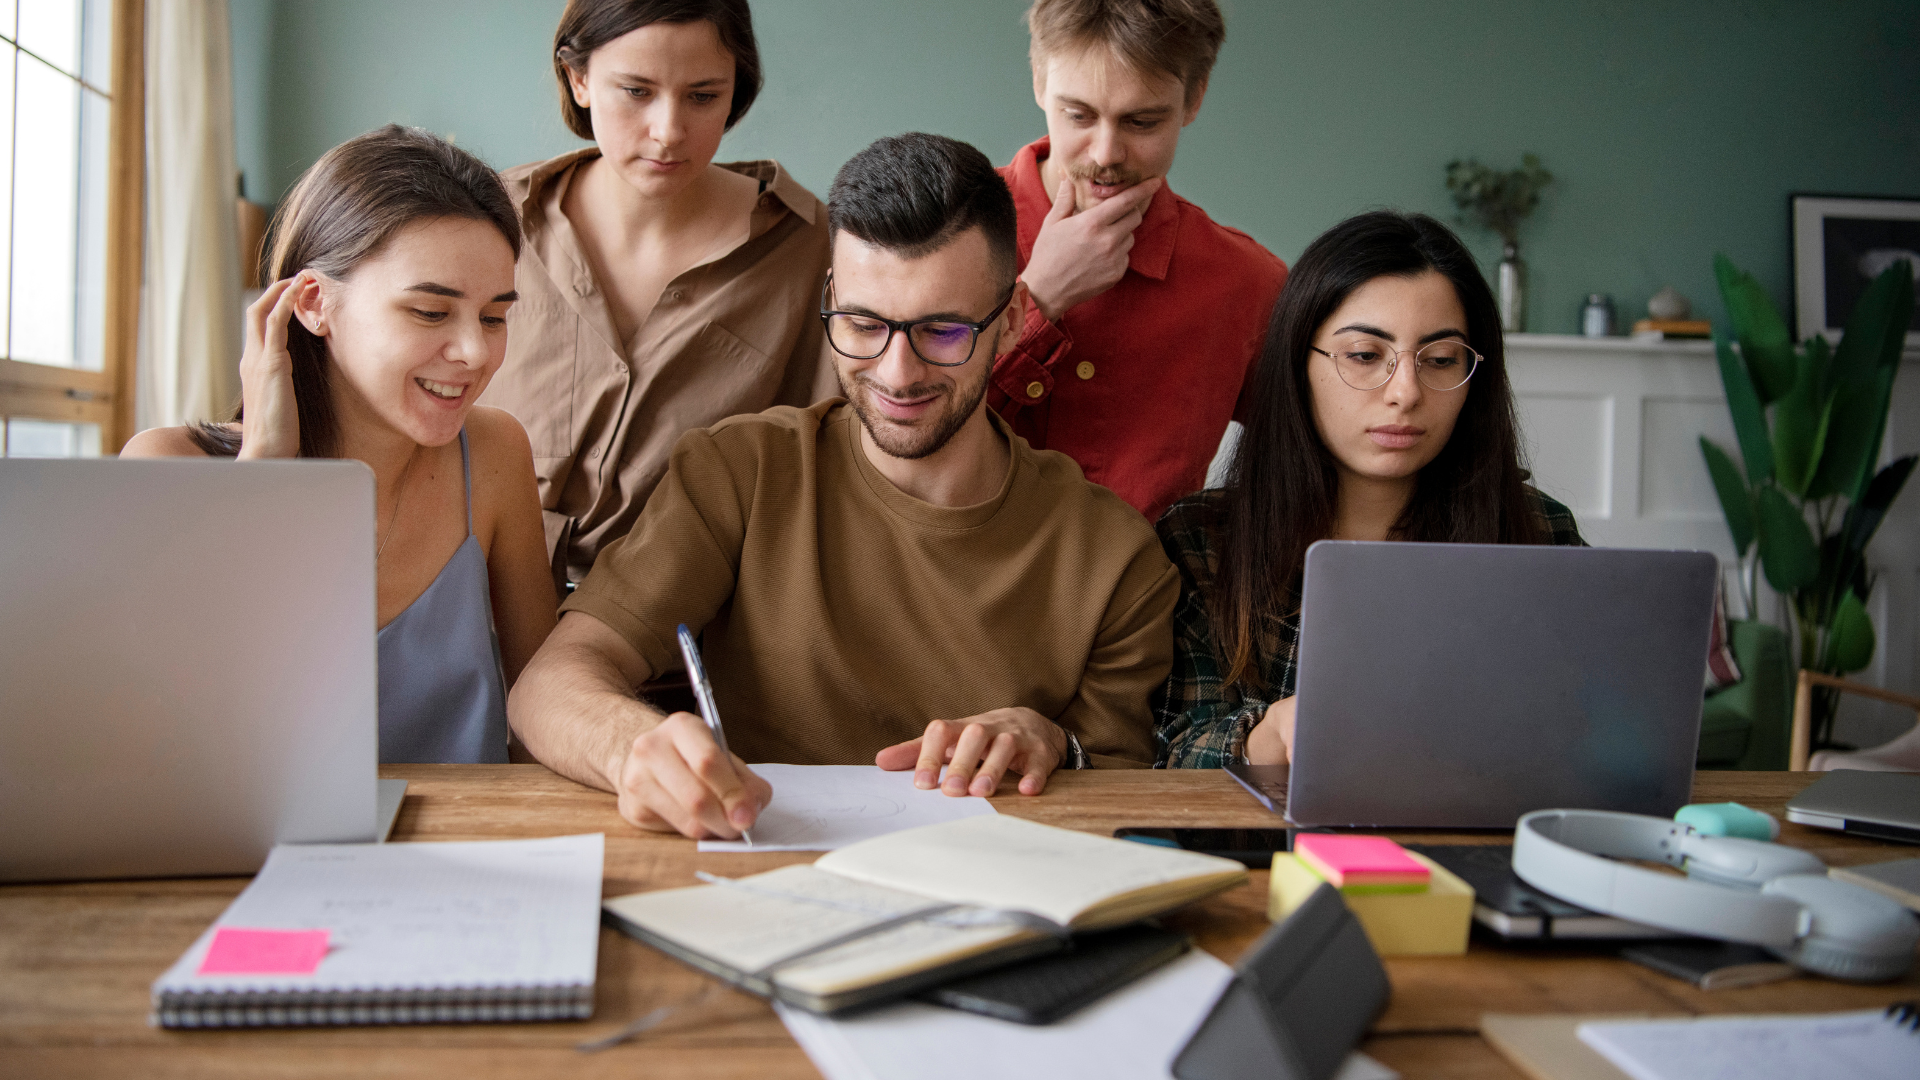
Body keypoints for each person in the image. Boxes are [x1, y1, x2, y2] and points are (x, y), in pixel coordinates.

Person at [508, 133, 1179, 840]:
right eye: (863, 324)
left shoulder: (1115, 558)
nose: (896, 373)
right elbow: (549, 685)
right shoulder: (740, 472)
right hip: (756, 877)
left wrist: (1055, 744)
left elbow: (1122, 794)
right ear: (831, 300)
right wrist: (631, 748)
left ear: (1010, 319)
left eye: (943, 331)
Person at [122, 126, 557, 764]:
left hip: (465, 847)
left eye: (494, 316)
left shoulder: (493, 454)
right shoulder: (167, 469)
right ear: (314, 304)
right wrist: (266, 475)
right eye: (431, 313)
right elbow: (163, 749)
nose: (474, 352)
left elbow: (545, 706)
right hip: (249, 858)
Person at [1153, 211, 1585, 769]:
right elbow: (1168, 756)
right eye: (1364, 355)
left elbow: (1593, 734)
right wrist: (1271, 735)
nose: (1404, 392)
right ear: (1296, 363)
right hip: (1270, 853)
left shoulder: (1539, 531)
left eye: (1440, 360)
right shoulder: (1200, 540)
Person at [481, 0, 837, 589]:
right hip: (476, 614)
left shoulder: (809, 250)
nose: (669, 132)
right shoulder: (490, 222)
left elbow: (833, 473)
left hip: (685, 641)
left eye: (703, 97)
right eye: (637, 91)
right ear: (579, 78)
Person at [990, 0, 1287, 524]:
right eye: (1078, 115)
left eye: (1142, 121)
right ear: (1039, 80)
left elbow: (1312, 461)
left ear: (1194, 98)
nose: (1106, 153)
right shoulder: (942, 238)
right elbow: (891, 448)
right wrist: (1037, 300)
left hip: (1152, 603)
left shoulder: (1249, 283)